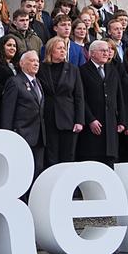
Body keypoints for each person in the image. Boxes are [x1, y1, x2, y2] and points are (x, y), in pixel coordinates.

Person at [78, 40, 128, 165]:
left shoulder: (112, 70)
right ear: (92, 53)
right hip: (93, 125)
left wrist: (122, 120)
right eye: (103, 51)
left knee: (110, 162)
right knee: (93, 162)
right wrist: (90, 119)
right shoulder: (82, 71)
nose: (107, 53)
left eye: (107, 50)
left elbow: (119, 96)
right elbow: (81, 98)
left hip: (111, 126)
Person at [38, 37, 86, 166]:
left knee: (68, 157)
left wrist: (79, 120)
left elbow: (79, 97)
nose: (62, 51)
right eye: (59, 48)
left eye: (64, 48)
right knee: (51, 156)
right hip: (48, 118)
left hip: (68, 119)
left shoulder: (73, 69)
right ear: (50, 51)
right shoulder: (41, 69)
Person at [0, 50, 47, 174]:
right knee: (22, 171)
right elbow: (7, 111)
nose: (36, 64)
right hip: (22, 134)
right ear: (22, 64)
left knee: (37, 170)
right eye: (32, 61)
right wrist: (8, 135)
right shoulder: (15, 82)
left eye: (37, 61)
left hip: (39, 136)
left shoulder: (38, 83)